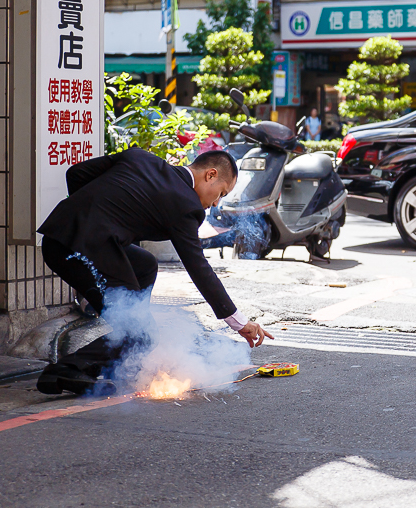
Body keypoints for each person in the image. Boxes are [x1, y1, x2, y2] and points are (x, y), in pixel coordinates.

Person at [34, 148, 273, 395]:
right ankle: (66, 369)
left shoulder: (141, 157)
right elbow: (198, 268)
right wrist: (238, 321)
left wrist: (91, 216)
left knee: (145, 264)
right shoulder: (187, 206)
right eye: (221, 194)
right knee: (143, 335)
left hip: (58, 236)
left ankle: (123, 346)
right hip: (80, 252)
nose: (215, 203)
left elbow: (76, 173)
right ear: (210, 175)